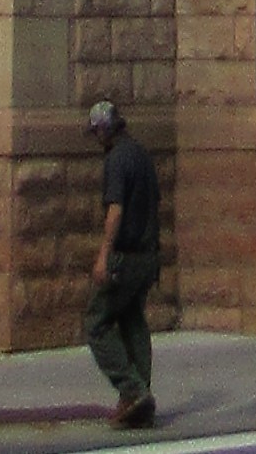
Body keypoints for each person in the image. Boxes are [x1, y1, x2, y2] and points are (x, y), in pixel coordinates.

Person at [82, 96, 159, 429]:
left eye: (96, 132)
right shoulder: (141, 154)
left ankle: (132, 388)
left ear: (104, 130)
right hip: (149, 255)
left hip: (125, 258)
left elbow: (115, 209)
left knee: (96, 323)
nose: (96, 138)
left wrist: (103, 255)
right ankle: (140, 395)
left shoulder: (117, 159)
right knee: (132, 320)